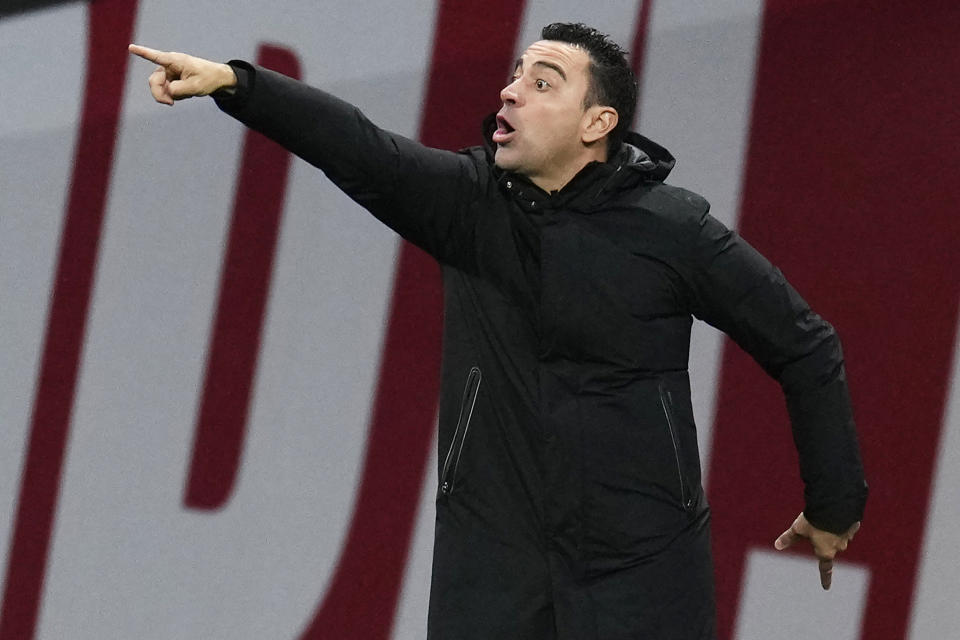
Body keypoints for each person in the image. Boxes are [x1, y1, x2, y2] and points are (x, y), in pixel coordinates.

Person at [129, 22, 866, 640]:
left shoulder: (674, 232)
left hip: (646, 573)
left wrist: (834, 505)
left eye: (543, 82)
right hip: (492, 571)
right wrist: (237, 84)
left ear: (597, 123)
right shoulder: (469, 204)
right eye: (515, 76)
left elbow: (806, 345)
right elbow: (357, 147)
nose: (511, 90)